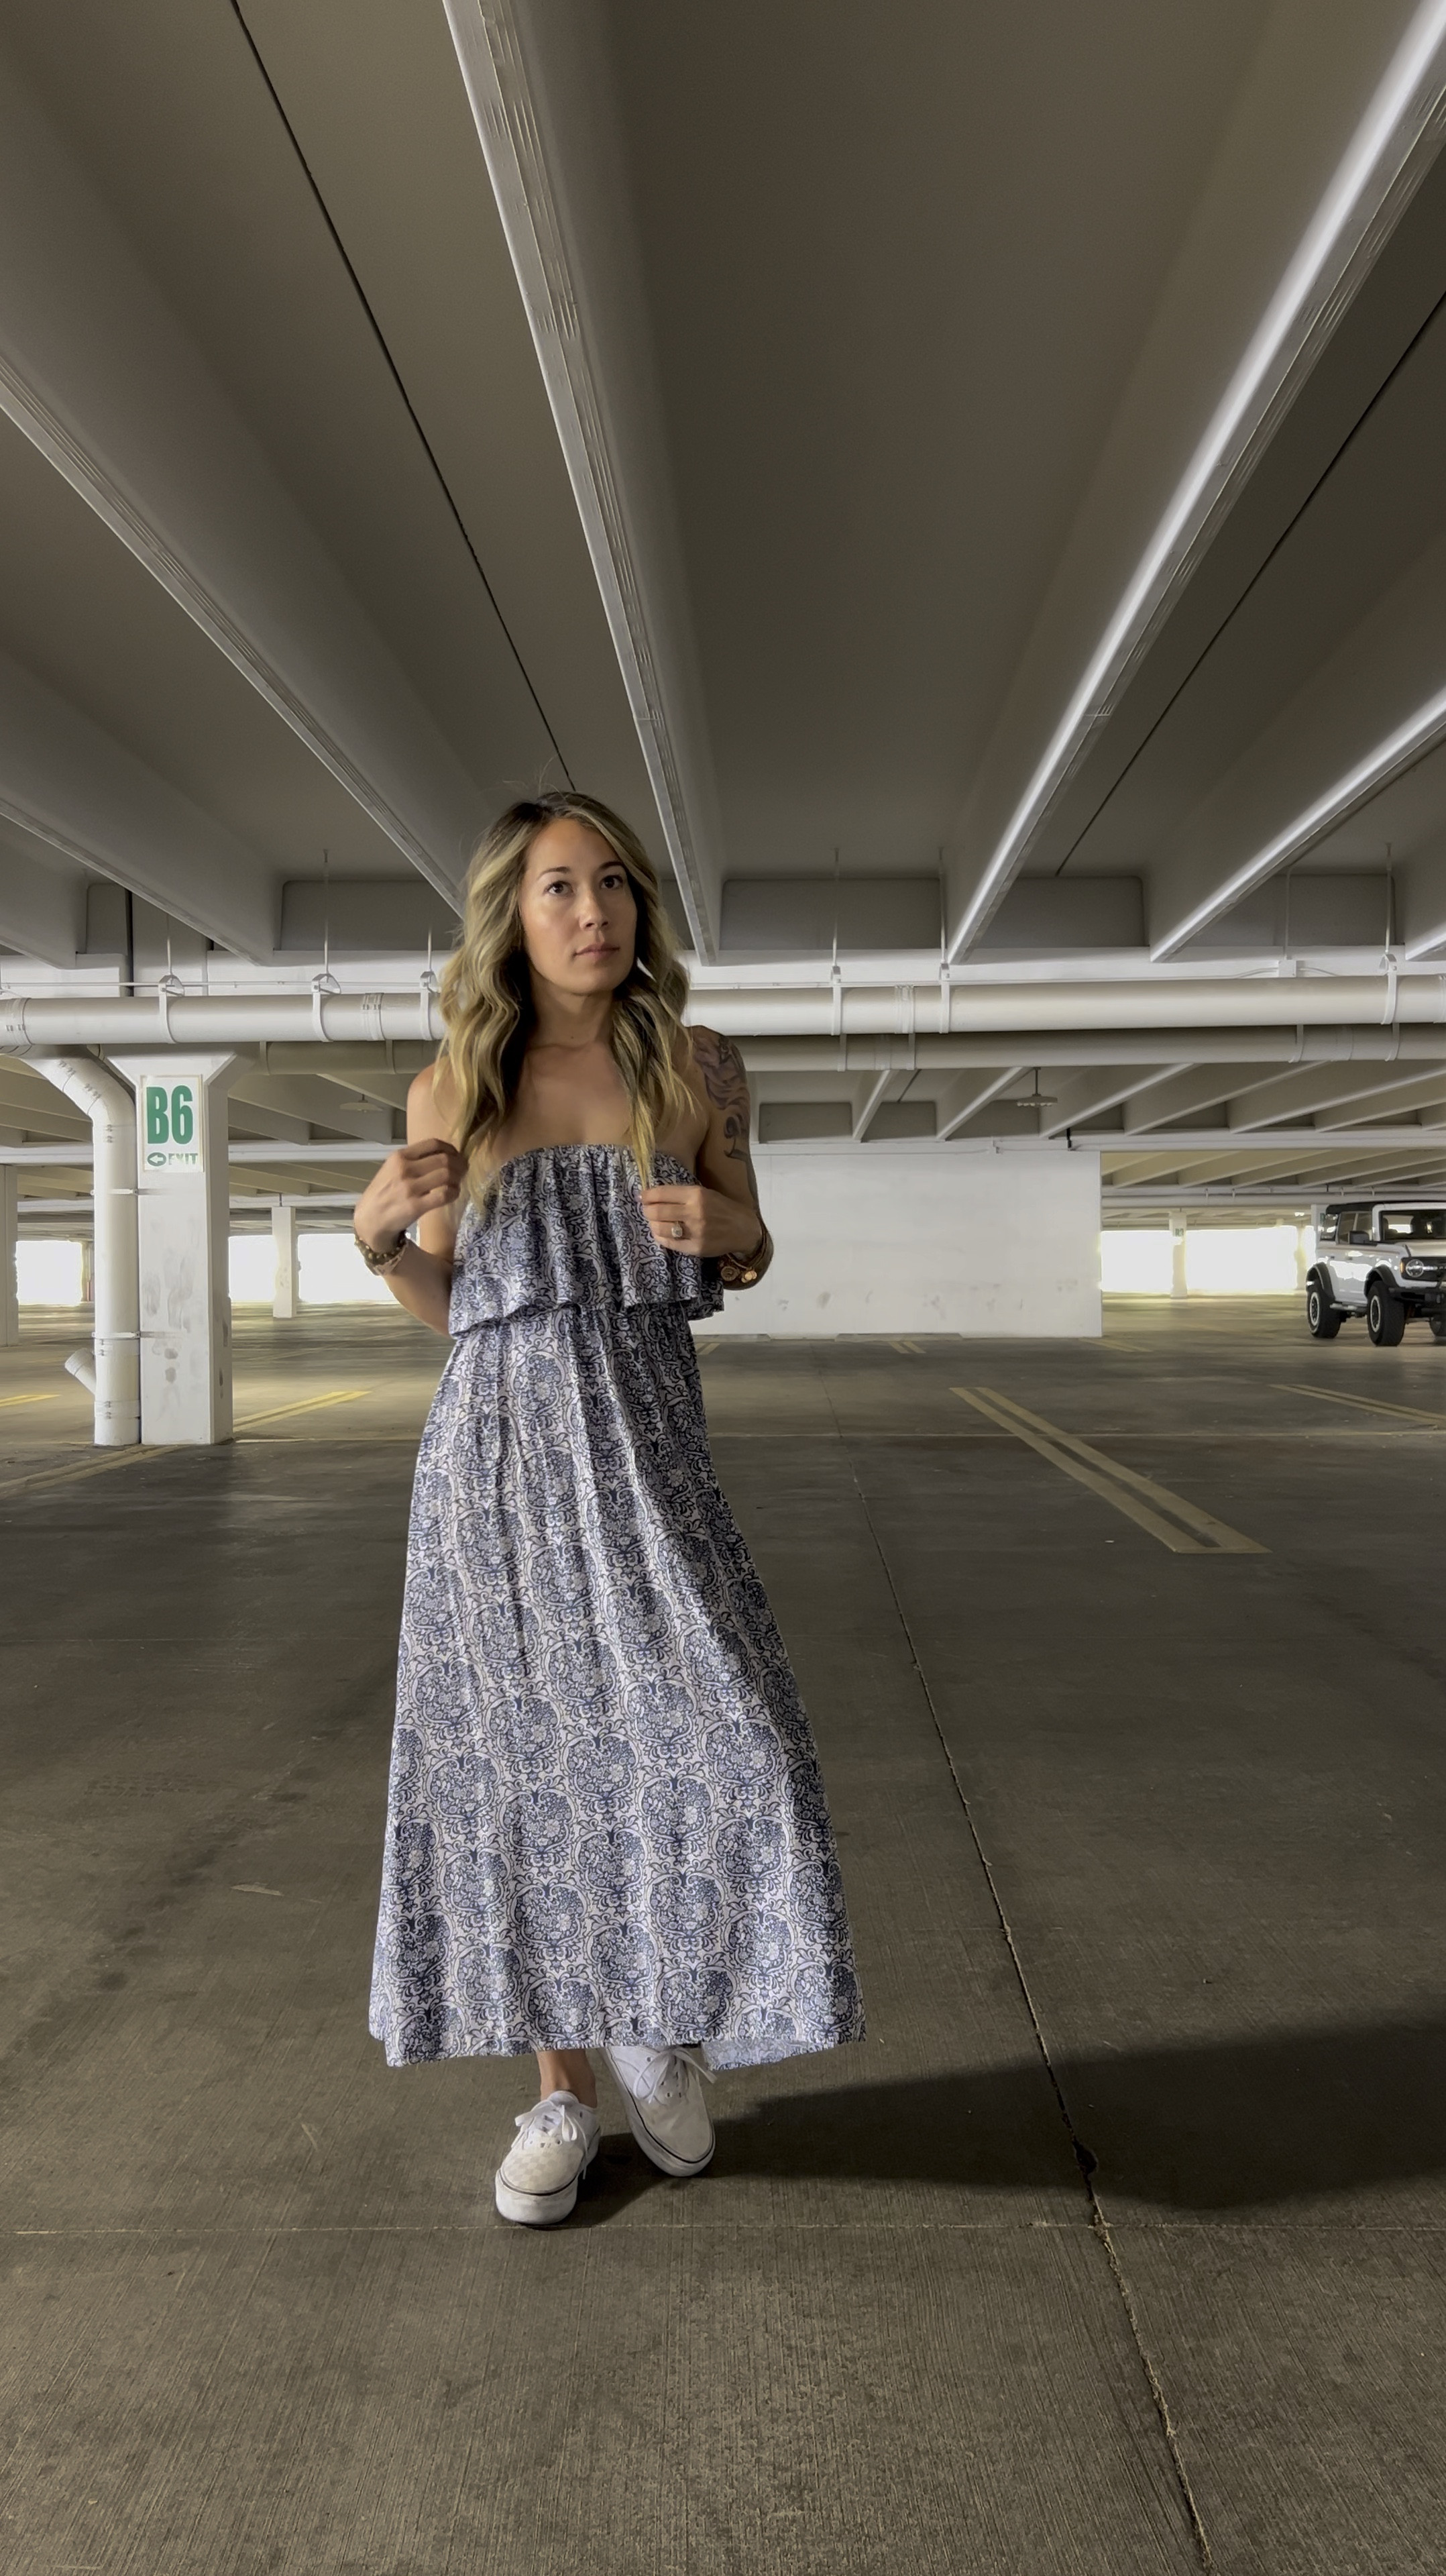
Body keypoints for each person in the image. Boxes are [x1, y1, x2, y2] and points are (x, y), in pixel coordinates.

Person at [356, 791, 865, 2225]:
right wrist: (375, 1236)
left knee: (736, 1749)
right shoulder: (454, 1085)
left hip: (650, 1452)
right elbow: (449, 1310)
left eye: (613, 886)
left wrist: (736, 1229)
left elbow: (748, 1244)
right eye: (558, 889)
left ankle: (661, 2022)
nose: (593, 912)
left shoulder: (698, 1067)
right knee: (525, 1777)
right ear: (511, 921)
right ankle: (564, 2095)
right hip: (497, 1468)